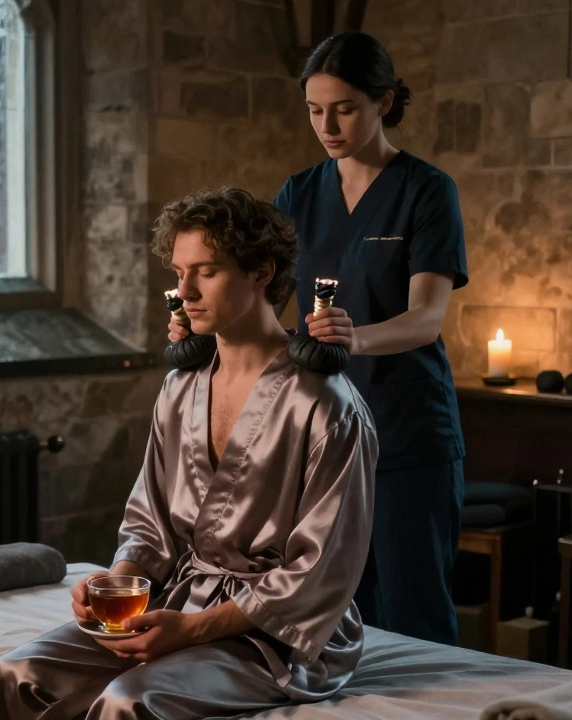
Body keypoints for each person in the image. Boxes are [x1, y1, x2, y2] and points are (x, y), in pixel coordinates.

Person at [0, 187, 377, 719]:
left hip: (280, 635)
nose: (185, 291)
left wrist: (193, 630)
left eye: (206, 272)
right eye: (179, 272)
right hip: (181, 601)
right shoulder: (180, 387)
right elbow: (150, 526)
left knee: (129, 701)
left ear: (261, 273)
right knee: (18, 674)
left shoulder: (326, 404)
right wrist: (117, 579)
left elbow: (322, 570)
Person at [171, 32, 469, 646]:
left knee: (412, 613)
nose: (326, 126)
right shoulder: (299, 193)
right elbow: (262, 308)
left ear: (384, 102)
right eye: (314, 110)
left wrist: (351, 341)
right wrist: (204, 328)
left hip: (406, 431)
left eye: (344, 109)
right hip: (317, 434)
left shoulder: (426, 190)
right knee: (329, 614)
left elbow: (426, 318)